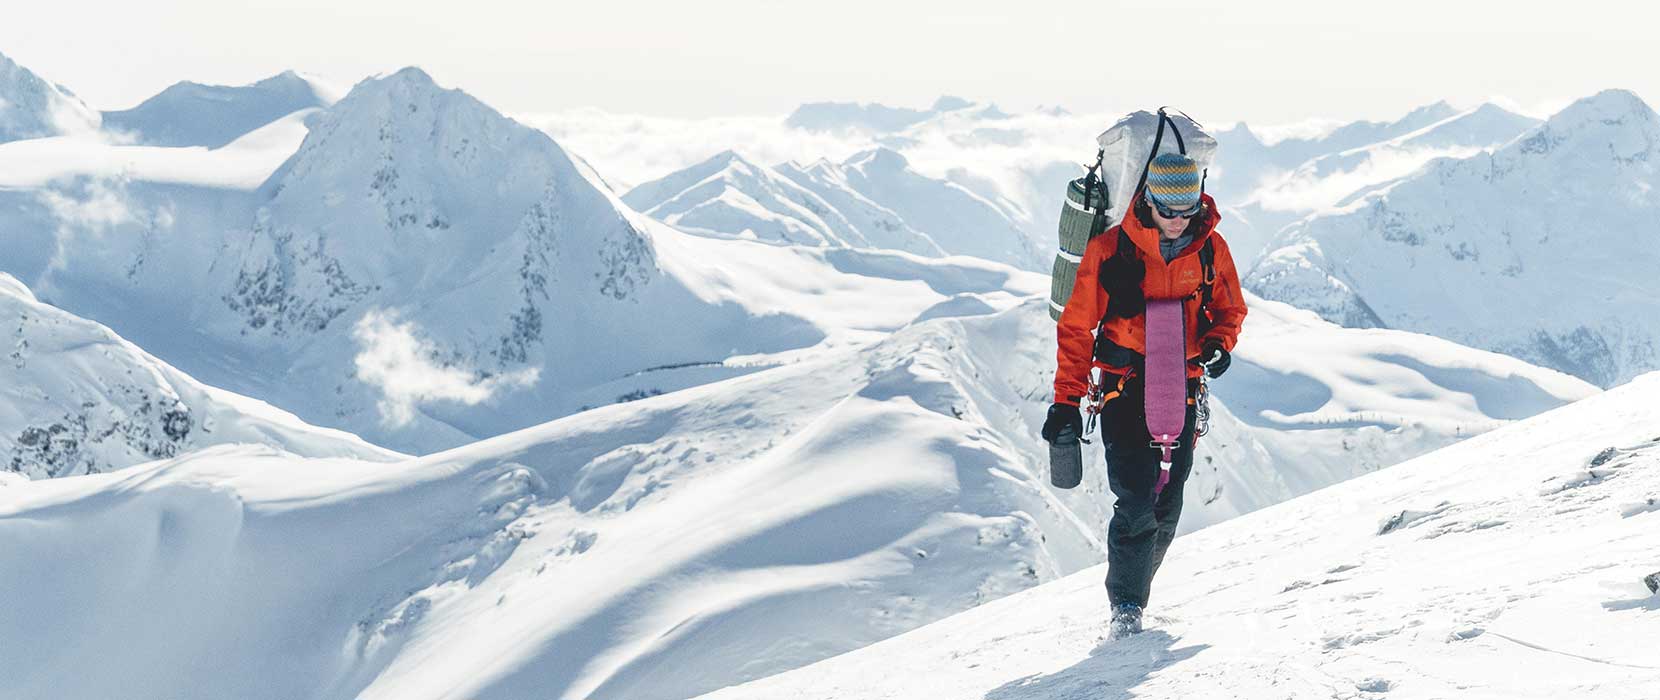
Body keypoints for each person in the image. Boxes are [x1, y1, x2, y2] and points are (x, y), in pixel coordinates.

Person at [1041, 151, 1248, 639]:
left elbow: (1229, 308)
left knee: (1168, 503)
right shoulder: (1112, 250)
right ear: (1148, 200)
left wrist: (1220, 343)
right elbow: (1076, 327)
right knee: (1134, 496)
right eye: (1167, 210)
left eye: (1187, 210)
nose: (1177, 221)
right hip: (1122, 386)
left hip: (1183, 385)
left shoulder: (1211, 249)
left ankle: (1137, 587)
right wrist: (1065, 401)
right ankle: (1127, 609)